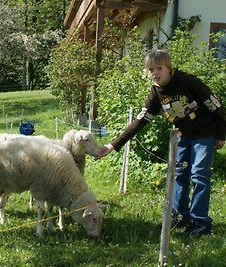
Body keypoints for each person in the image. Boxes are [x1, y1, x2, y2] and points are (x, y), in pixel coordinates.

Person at [96, 49, 226, 237]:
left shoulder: (190, 82)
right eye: (150, 69)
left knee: (199, 174)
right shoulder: (156, 92)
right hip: (182, 136)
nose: (155, 73)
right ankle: (180, 216)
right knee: (179, 173)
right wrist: (113, 145)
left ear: (169, 69)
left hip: (204, 134)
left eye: (159, 68)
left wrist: (221, 134)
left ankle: (200, 222)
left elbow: (216, 105)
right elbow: (141, 120)